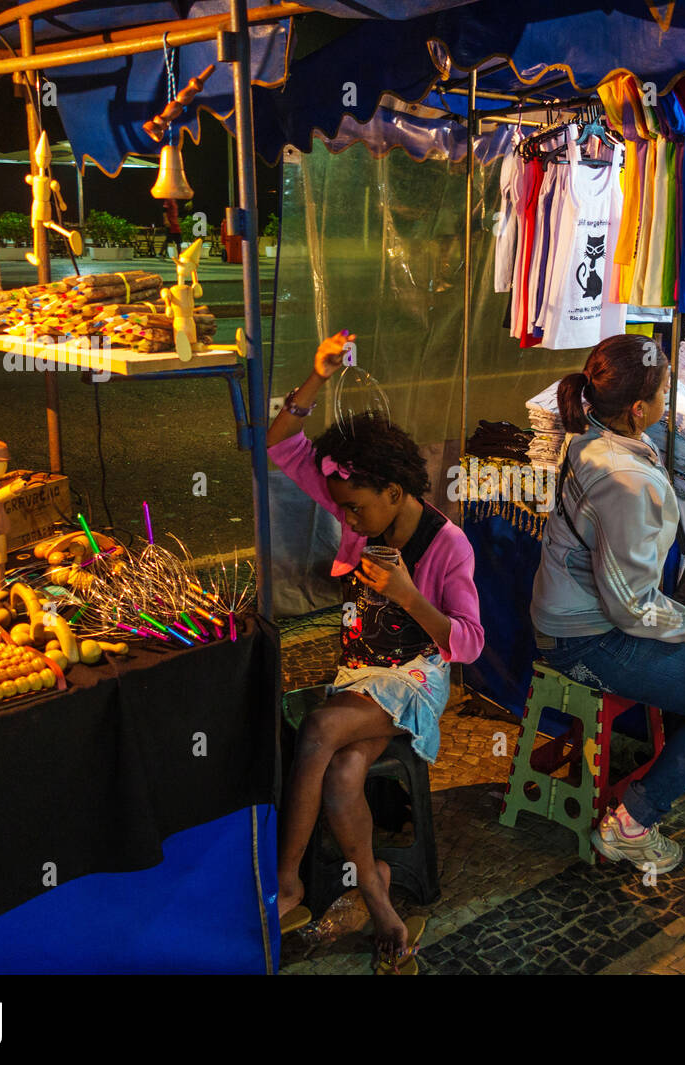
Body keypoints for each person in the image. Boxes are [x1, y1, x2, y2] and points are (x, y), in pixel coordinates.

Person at [266, 331, 484, 971]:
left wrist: (410, 595)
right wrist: (318, 377)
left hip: (417, 677)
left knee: (318, 728)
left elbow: (468, 643)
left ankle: (286, 884)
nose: (348, 521)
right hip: (360, 671)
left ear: (393, 491)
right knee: (340, 772)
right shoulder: (356, 503)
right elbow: (280, 443)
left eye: (356, 510)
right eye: (343, 509)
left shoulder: (449, 548)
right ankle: (382, 904)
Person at [529, 334, 685, 874]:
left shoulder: (600, 438)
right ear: (639, 409)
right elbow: (629, 607)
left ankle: (681, 763)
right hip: (582, 636)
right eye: (665, 391)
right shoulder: (623, 478)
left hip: (593, 611)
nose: (668, 401)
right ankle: (630, 823)